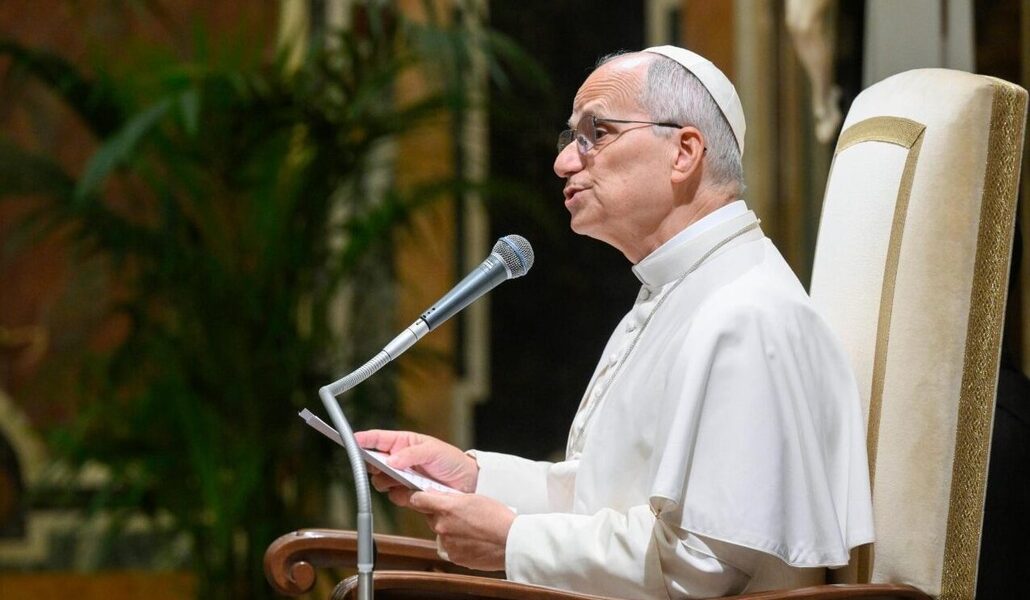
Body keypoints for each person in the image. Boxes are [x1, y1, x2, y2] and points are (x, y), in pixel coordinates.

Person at [355, 45, 874, 598]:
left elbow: (701, 566)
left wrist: (513, 542)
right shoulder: (682, 290)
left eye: (595, 135)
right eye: (570, 139)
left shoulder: (746, 314)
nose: (564, 162)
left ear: (684, 152)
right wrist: (474, 477)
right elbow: (609, 498)